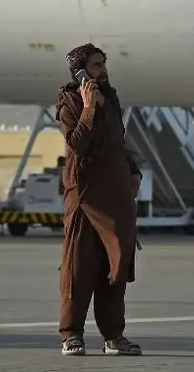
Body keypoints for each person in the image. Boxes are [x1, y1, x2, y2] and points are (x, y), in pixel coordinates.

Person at [56, 43, 143, 357]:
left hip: (114, 194)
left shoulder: (112, 99)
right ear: (80, 70)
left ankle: (114, 337)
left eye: (103, 64)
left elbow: (115, 143)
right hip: (85, 195)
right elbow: (77, 145)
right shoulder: (69, 101)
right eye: (95, 65)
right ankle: (72, 335)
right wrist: (89, 108)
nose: (102, 70)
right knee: (79, 268)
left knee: (115, 266)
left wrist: (132, 170)